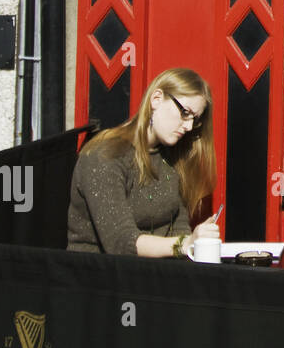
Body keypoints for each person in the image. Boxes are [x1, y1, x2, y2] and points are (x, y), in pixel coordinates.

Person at [67, 67, 220, 258]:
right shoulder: (104, 155)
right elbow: (122, 243)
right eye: (185, 112)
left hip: (153, 276)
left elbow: (179, 227)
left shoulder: (172, 157)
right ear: (156, 99)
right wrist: (185, 244)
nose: (188, 126)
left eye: (195, 119)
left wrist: (191, 243)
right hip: (99, 277)